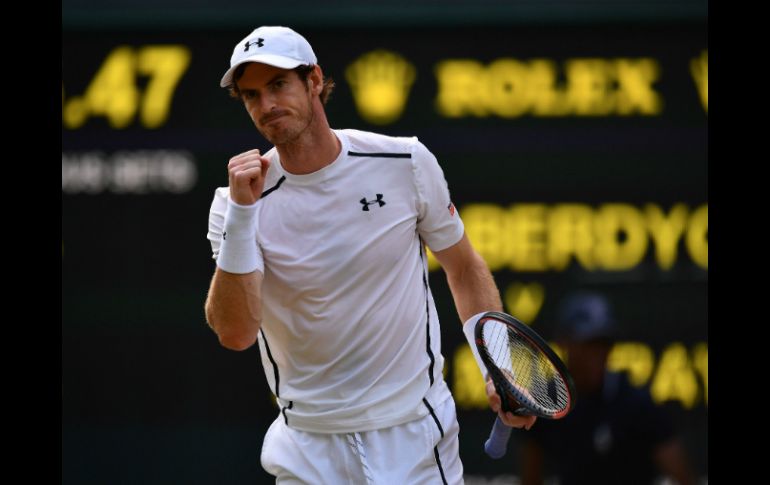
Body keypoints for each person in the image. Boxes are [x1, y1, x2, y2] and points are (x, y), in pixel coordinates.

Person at [204, 25, 535, 484]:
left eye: (278, 84)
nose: (267, 105)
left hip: (414, 434)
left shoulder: (406, 162)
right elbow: (236, 333)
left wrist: (498, 365)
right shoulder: (234, 205)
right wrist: (243, 215)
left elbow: (463, 268)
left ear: (314, 80)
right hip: (306, 448)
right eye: (251, 95)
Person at [519, 291, 696, 485]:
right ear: (564, 342)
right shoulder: (546, 400)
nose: (599, 353)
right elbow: (531, 476)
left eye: (604, 344)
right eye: (589, 344)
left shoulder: (637, 404)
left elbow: (683, 478)